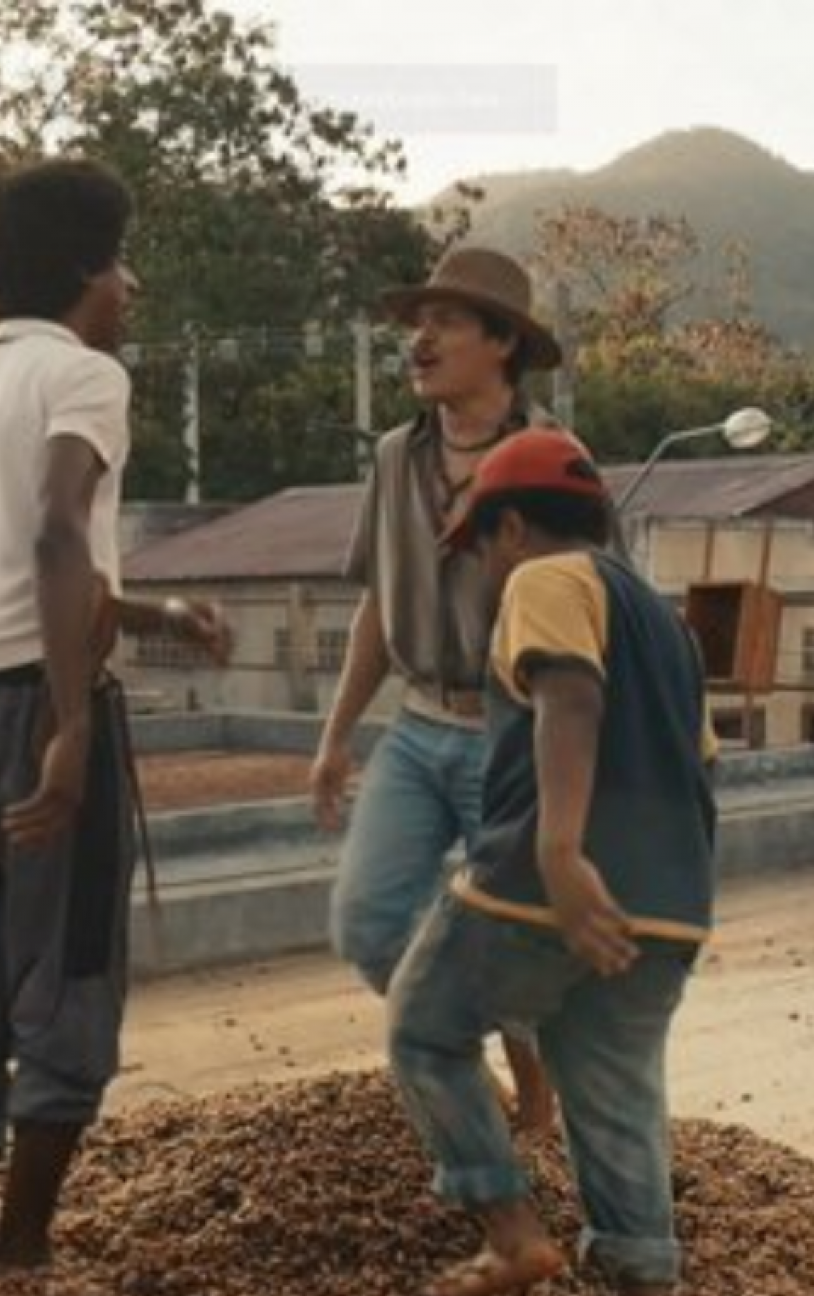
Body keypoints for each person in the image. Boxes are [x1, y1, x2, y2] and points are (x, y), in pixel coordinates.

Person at [0, 160, 228, 1278]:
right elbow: (52, 535)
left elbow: (16, 564)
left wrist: (154, 608)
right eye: (123, 263)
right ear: (88, 272)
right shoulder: (84, 377)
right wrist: (72, 728)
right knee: (71, 970)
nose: (132, 286)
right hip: (32, 703)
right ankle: (25, 1253)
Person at [384, 426, 719, 1296]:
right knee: (613, 1085)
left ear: (512, 528)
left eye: (480, 552)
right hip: (671, 903)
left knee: (424, 1028)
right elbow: (700, 762)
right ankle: (648, 1287)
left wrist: (562, 855)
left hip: (544, 886)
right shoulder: (666, 625)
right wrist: (659, 882)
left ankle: (509, 1231)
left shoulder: (544, 578)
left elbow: (570, 696)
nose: (485, 573)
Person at [310, 245, 562, 1132]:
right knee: (369, 922)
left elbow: (585, 622)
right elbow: (381, 600)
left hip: (515, 734)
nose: (420, 339)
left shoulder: (554, 460)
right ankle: (467, 1067)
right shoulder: (390, 458)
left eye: (446, 322)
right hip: (415, 731)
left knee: (518, 926)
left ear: (502, 344)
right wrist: (336, 733)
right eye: (418, 323)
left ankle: (539, 1088)